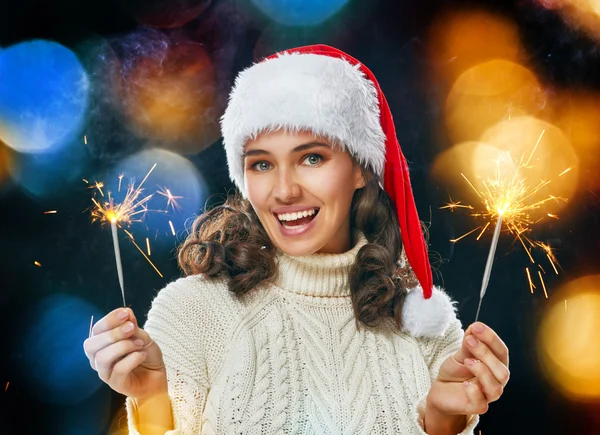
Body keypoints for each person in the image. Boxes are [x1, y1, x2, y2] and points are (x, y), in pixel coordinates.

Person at [83, 44, 509, 435]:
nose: (284, 191)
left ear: (362, 167)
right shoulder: (192, 312)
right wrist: (151, 398)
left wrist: (444, 421)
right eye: (262, 164)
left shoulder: (426, 327)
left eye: (311, 158)